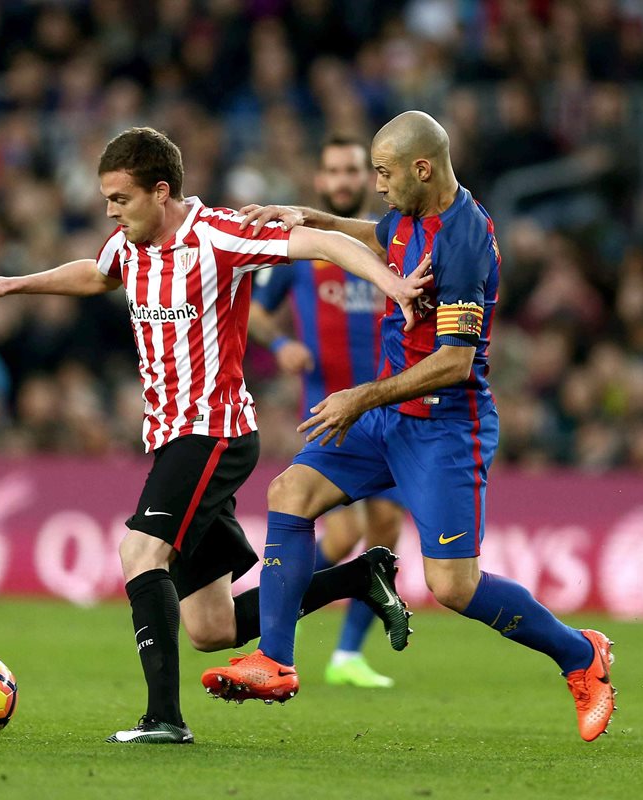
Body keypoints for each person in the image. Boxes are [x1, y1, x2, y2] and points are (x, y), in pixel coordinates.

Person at [0, 127, 423, 745]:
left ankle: (164, 720)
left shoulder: (219, 235)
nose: (112, 212)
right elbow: (95, 275)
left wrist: (391, 284)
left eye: (120, 198)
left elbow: (326, 242)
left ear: (161, 191)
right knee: (211, 628)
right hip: (174, 437)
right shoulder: (129, 244)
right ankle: (359, 578)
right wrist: (9, 284)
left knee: (138, 552)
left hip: (213, 432)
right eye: (108, 201)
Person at [201, 112, 618, 742]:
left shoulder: (464, 240)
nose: (378, 184)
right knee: (291, 493)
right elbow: (380, 235)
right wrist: (315, 220)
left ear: (422, 169)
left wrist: (359, 397)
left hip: (445, 428)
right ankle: (275, 661)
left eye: (385, 172)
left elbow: (453, 364)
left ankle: (580, 656)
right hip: (386, 417)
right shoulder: (415, 215)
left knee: (454, 586)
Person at [248, 135, 407, 689]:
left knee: (386, 529)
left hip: (388, 410)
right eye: (333, 170)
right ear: (320, 181)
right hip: (329, 416)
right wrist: (280, 345)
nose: (342, 179)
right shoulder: (303, 252)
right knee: (337, 539)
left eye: (351, 170)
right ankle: (263, 614)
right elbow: (252, 315)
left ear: (367, 178)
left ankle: (345, 654)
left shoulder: (388, 244)